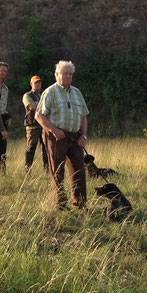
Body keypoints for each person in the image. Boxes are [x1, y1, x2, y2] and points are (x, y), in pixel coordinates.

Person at [36, 61, 89, 210]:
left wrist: (83, 136)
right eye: (64, 73)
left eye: (70, 74)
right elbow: (39, 116)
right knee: (57, 171)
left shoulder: (77, 92)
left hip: (75, 137)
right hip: (56, 137)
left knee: (79, 170)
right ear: (56, 75)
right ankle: (61, 205)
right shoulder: (50, 92)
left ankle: (80, 204)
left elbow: (84, 116)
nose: (68, 76)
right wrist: (53, 130)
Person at [23, 75, 48, 172]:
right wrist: (44, 105)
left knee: (46, 148)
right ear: (31, 84)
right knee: (30, 148)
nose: (38, 84)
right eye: (35, 82)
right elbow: (32, 106)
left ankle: (47, 170)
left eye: (39, 82)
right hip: (32, 126)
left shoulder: (44, 94)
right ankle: (27, 170)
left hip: (44, 125)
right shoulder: (27, 95)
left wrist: (39, 104)